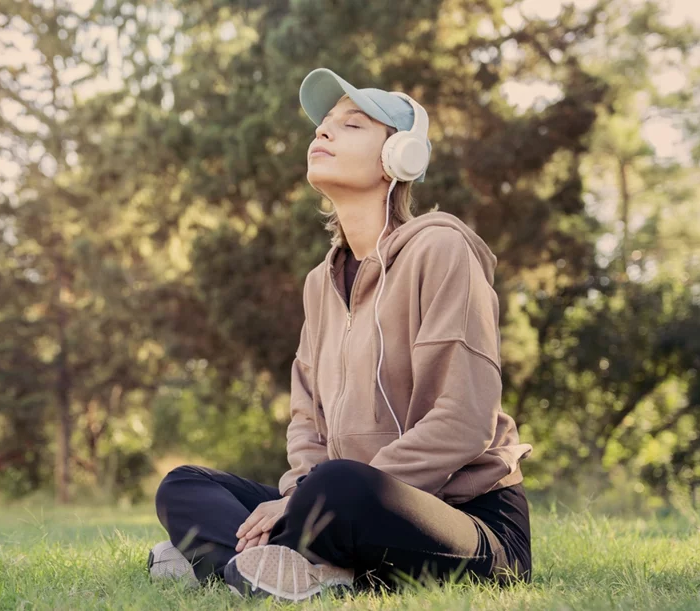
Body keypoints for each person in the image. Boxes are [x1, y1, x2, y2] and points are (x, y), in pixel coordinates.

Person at [147, 67, 534, 602]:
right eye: (322, 125)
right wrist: (297, 494)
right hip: (336, 506)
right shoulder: (319, 284)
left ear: (399, 158)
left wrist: (304, 498)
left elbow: (464, 421)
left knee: (340, 486)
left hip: (463, 521)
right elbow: (306, 423)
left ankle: (225, 561)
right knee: (185, 485)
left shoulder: (442, 249)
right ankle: (286, 568)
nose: (322, 133)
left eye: (350, 125)